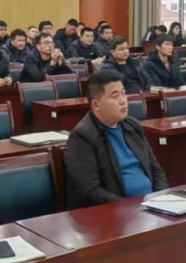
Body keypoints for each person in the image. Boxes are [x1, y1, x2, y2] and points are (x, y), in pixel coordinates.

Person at [63, 69, 169, 209]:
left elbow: (157, 171)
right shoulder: (82, 137)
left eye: (123, 93)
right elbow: (89, 191)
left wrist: (160, 198)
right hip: (117, 212)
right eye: (115, 96)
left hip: (151, 207)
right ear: (96, 105)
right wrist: (130, 207)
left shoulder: (132, 125)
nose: (123, 101)